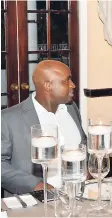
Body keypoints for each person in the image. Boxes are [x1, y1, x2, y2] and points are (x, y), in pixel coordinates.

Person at [1, 60, 87, 195]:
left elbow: (83, 143)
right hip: (34, 203)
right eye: (67, 80)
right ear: (48, 85)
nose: (73, 85)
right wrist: (36, 186)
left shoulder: (71, 109)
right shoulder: (8, 119)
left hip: (76, 196)